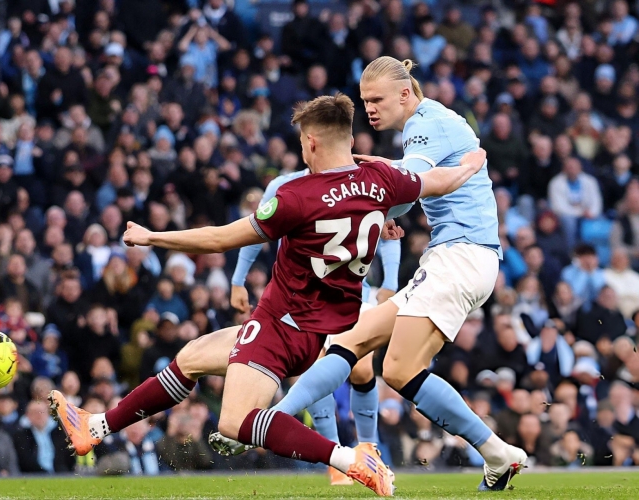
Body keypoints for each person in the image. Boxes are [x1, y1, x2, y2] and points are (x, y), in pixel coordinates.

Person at [50, 93, 486, 496]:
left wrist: (153, 238)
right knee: (193, 357)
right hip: (322, 333)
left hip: (281, 325)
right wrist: (470, 165)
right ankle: (97, 426)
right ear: (350, 140)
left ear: (311, 143)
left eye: (301, 143)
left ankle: (350, 459)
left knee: (236, 422)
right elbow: (438, 180)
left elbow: (222, 238)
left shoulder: (295, 196)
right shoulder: (382, 179)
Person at [210, 57, 527, 492]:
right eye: (364, 101)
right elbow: (401, 188)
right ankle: (276, 417)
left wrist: (369, 204)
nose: (370, 109)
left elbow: (406, 178)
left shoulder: (426, 123)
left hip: (462, 258)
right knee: (347, 343)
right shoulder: (430, 124)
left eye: (377, 99)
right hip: (451, 258)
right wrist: (380, 210)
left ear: (405, 93)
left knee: (398, 370)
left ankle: (493, 451)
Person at [228, 168, 405, 485]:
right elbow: (253, 232)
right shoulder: (284, 186)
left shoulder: (365, 182)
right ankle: (336, 460)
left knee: (362, 369)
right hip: (300, 298)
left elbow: (389, 226)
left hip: (352, 292)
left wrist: (390, 282)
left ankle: (368, 447)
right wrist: (237, 279)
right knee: (317, 363)